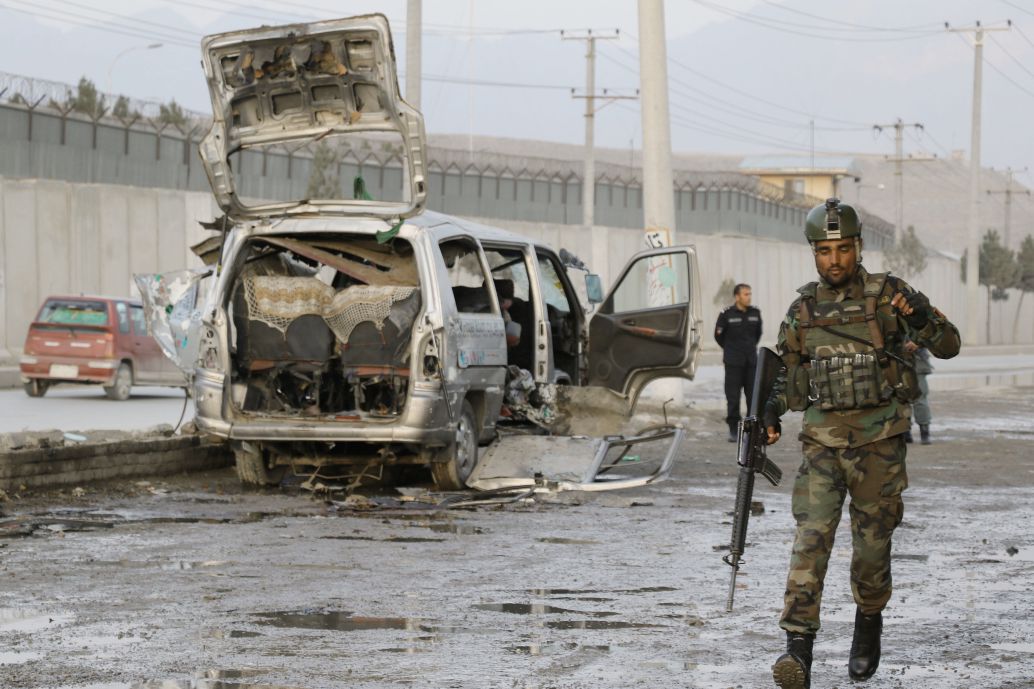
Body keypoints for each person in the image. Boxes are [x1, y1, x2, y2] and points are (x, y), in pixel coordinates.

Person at [762, 198, 960, 689]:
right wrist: (767, 410)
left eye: (843, 249)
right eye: (825, 251)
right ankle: (797, 649)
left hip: (879, 445)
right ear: (814, 253)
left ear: (857, 248)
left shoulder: (890, 296)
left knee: (872, 550)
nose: (835, 261)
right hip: (822, 447)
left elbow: (949, 344)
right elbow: (785, 378)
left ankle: (868, 623)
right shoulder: (802, 310)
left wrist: (924, 317)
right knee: (811, 542)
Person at [715, 283, 762, 442]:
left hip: (751, 362)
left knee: (752, 398)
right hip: (733, 363)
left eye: (750, 294)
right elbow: (719, 336)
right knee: (733, 398)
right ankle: (734, 430)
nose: (749, 297)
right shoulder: (726, 314)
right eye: (745, 294)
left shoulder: (755, 313)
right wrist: (731, 350)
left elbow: (757, 335)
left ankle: (750, 430)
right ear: (737, 296)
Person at [904, 340, 934, 444]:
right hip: (897, 362)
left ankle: (924, 431)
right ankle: (905, 431)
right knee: (901, 399)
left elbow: (931, 334)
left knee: (920, 399)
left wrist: (917, 343)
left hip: (917, 362)